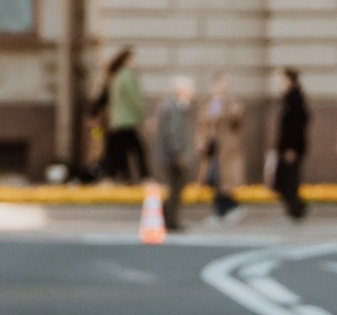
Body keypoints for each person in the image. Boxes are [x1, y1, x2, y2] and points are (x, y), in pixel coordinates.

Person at [195, 73, 247, 224]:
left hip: (226, 149)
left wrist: (235, 113)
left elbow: (236, 123)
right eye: (217, 84)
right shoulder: (207, 102)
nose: (220, 88)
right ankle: (227, 209)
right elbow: (201, 124)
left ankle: (226, 210)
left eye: (222, 84)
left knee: (222, 180)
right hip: (211, 147)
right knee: (212, 178)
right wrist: (200, 141)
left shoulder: (232, 103)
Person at [151, 76, 199, 231]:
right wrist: (178, 153)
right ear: (182, 91)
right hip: (170, 157)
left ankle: (170, 220)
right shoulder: (172, 108)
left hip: (169, 156)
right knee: (174, 189)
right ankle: (169, 221)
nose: (193, 93)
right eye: (190, 90)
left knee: (175, 189)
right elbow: (172, 133)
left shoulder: (175, 107)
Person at [98, 48, 148, 188]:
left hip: (117, 120)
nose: (136, 62)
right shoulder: (128, 75)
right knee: (137, 149)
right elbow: (134, 99)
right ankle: (143, 176)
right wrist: (142, 116)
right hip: (127, 120)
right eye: (133, 59)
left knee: (121, 150)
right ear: (127, 60)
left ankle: (121, 176)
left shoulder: (115, 76)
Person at [269, 67, 309, 221]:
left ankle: (297, 209)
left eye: (282, 79)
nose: (280, 82)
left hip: (291, 146)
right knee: (283, 178)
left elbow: (297, 125)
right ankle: (294, 208)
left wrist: (292, 147)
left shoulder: (295, 98)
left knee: (289, 178)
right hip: (286, 145)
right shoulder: (288, 97)